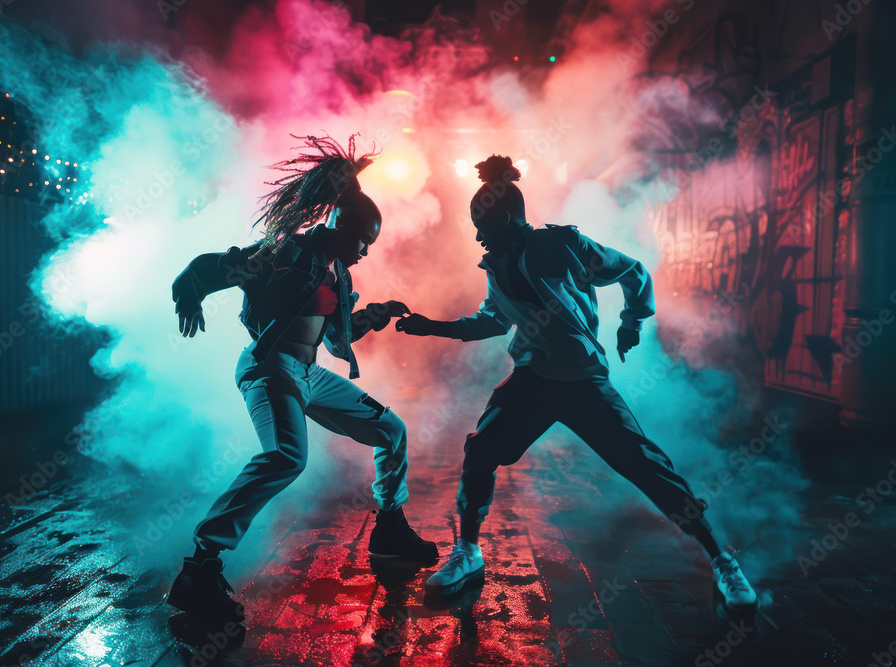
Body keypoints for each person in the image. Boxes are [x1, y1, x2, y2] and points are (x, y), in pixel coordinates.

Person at [396, 155, 757, 611]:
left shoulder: (563, 245)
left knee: (647, 465)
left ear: (505, 218)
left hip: (584, 380)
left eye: (481, 223)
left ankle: (723, 562)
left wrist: (633, 320)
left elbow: (633, 271)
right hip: (533, 378)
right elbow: (492, 321)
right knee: (481, 449)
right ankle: (467, 551)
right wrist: (434, 327)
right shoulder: (497, 266)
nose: (477, 234)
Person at [167, 135, 438, 625]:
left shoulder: (338, 272)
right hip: (269, 369)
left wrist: (377, 313)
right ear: (341, 227)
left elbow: (337, 336)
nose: (365, 252)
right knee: (287, 457)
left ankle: (390, 528)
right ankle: (200, 568)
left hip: (308, 374)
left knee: (391, 430)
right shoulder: (290, 251)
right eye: (363, 241)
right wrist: (190, 287)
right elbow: (220, 266)